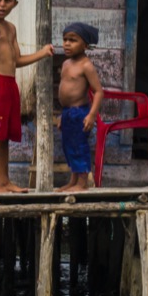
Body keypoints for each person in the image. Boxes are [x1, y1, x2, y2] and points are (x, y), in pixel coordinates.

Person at [0, 0, 54, 193]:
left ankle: (4, 181)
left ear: (15, 4)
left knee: (4, 137)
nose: (2, 4)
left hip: (10, 85)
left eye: (7, 0)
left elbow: (16, 61)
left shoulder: (10, 28)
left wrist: (42, 53)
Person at [56, 21, 104, 192]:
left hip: (80, 113)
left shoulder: (86, 65)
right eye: (65, 39)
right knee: (68, 146)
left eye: (73, 40)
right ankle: (73, 180)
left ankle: (82, 183)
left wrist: (91, 115)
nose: (67, 43)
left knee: (78, 146)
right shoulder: (66, 64)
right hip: (68, 112)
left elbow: (98, 91)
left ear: (84, 44)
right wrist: (63, 115)